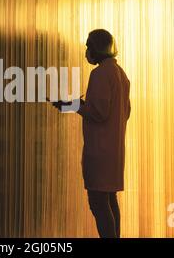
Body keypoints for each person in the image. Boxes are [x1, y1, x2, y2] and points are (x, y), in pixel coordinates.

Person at [52, 29, 131, 238]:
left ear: (97, 47)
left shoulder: (100, 74)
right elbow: (123, 111)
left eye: (89, 46)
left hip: (100, 151)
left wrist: (74, 105)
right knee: (109, 199)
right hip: (113, 150)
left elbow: (98, 112)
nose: (87, 51)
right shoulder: (120, 74)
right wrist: (75, 105)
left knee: (98, 202)